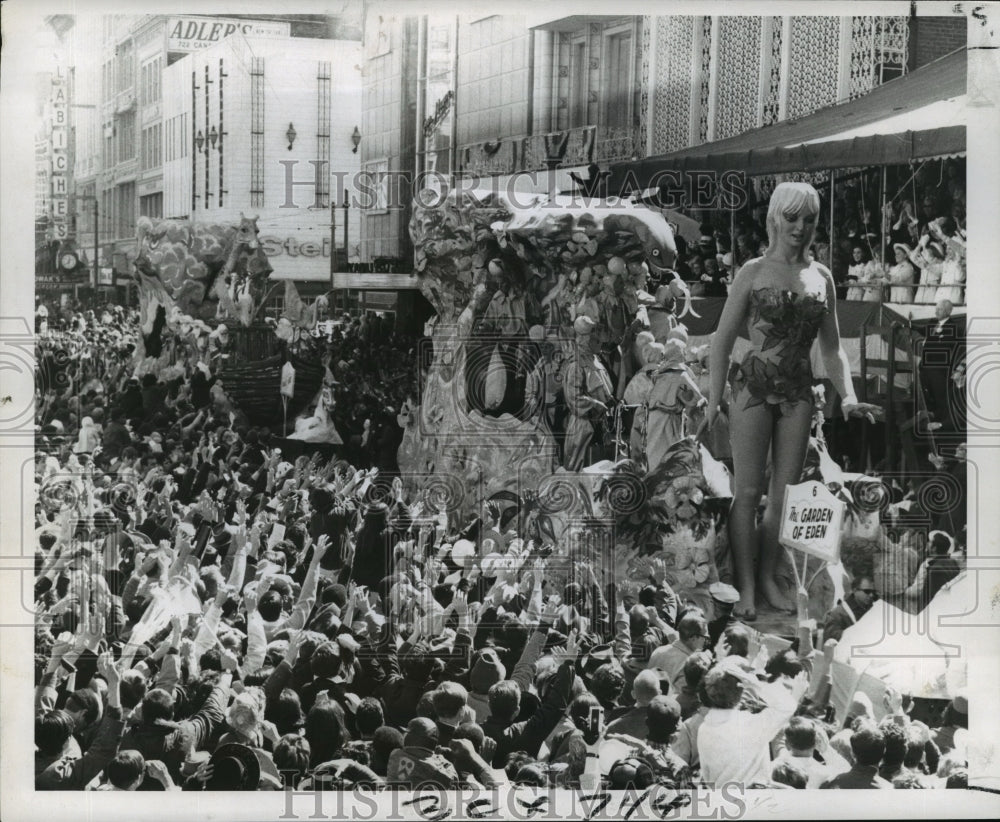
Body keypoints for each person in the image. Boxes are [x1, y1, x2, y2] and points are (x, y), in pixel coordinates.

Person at [706, 182, 880, 620]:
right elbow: (722, 340)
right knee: (746, 492)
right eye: (791, 218)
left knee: (783, 498)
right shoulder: (752, 270)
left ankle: (766, 577)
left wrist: (849, 397)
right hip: (752, 390)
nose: (800, 228)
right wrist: (712, 399)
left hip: (799, 393)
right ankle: (745, 586)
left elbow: (833, 347)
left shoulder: (821, 277)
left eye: (809, 220)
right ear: (774, 219)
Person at [821, 575, 878, 643]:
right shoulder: (838, 613)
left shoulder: (874, 610)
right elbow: (830, 639)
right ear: (855, 590)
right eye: (867, 591)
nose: (871, 595)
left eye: (873, 592)